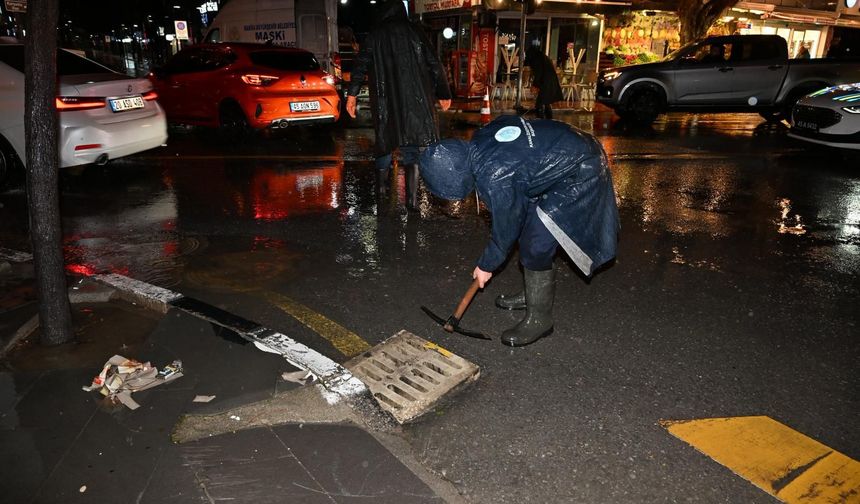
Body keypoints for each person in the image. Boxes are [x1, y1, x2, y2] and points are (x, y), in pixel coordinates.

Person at [419, 115, 620, 347]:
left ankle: (540, 319)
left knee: (537, 244)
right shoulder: (480, 140)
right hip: (566, 148)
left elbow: (506, 229)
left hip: (581, 168)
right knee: (529, 229)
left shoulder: (496, 176)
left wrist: (486, 265)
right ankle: (532, 293)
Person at [345, 0, 452, 211]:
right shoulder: (415, 30)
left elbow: (361, 65)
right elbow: (434, 62)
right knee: (411, 148)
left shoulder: (375, 34)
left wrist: (352, 94)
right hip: (413, 100)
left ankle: (381, 195)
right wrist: (443, 92)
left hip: (386, 101)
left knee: (385, 143)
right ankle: (411, 202)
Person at [524, 45, 563, 119]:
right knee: (546, 102)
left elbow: (539, 73)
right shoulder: (542, 57)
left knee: (540, 102)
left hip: (546, 82)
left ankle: (541, 120)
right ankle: (548, 119)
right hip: (549, 82)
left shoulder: (536, 59)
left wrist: (535, 85)